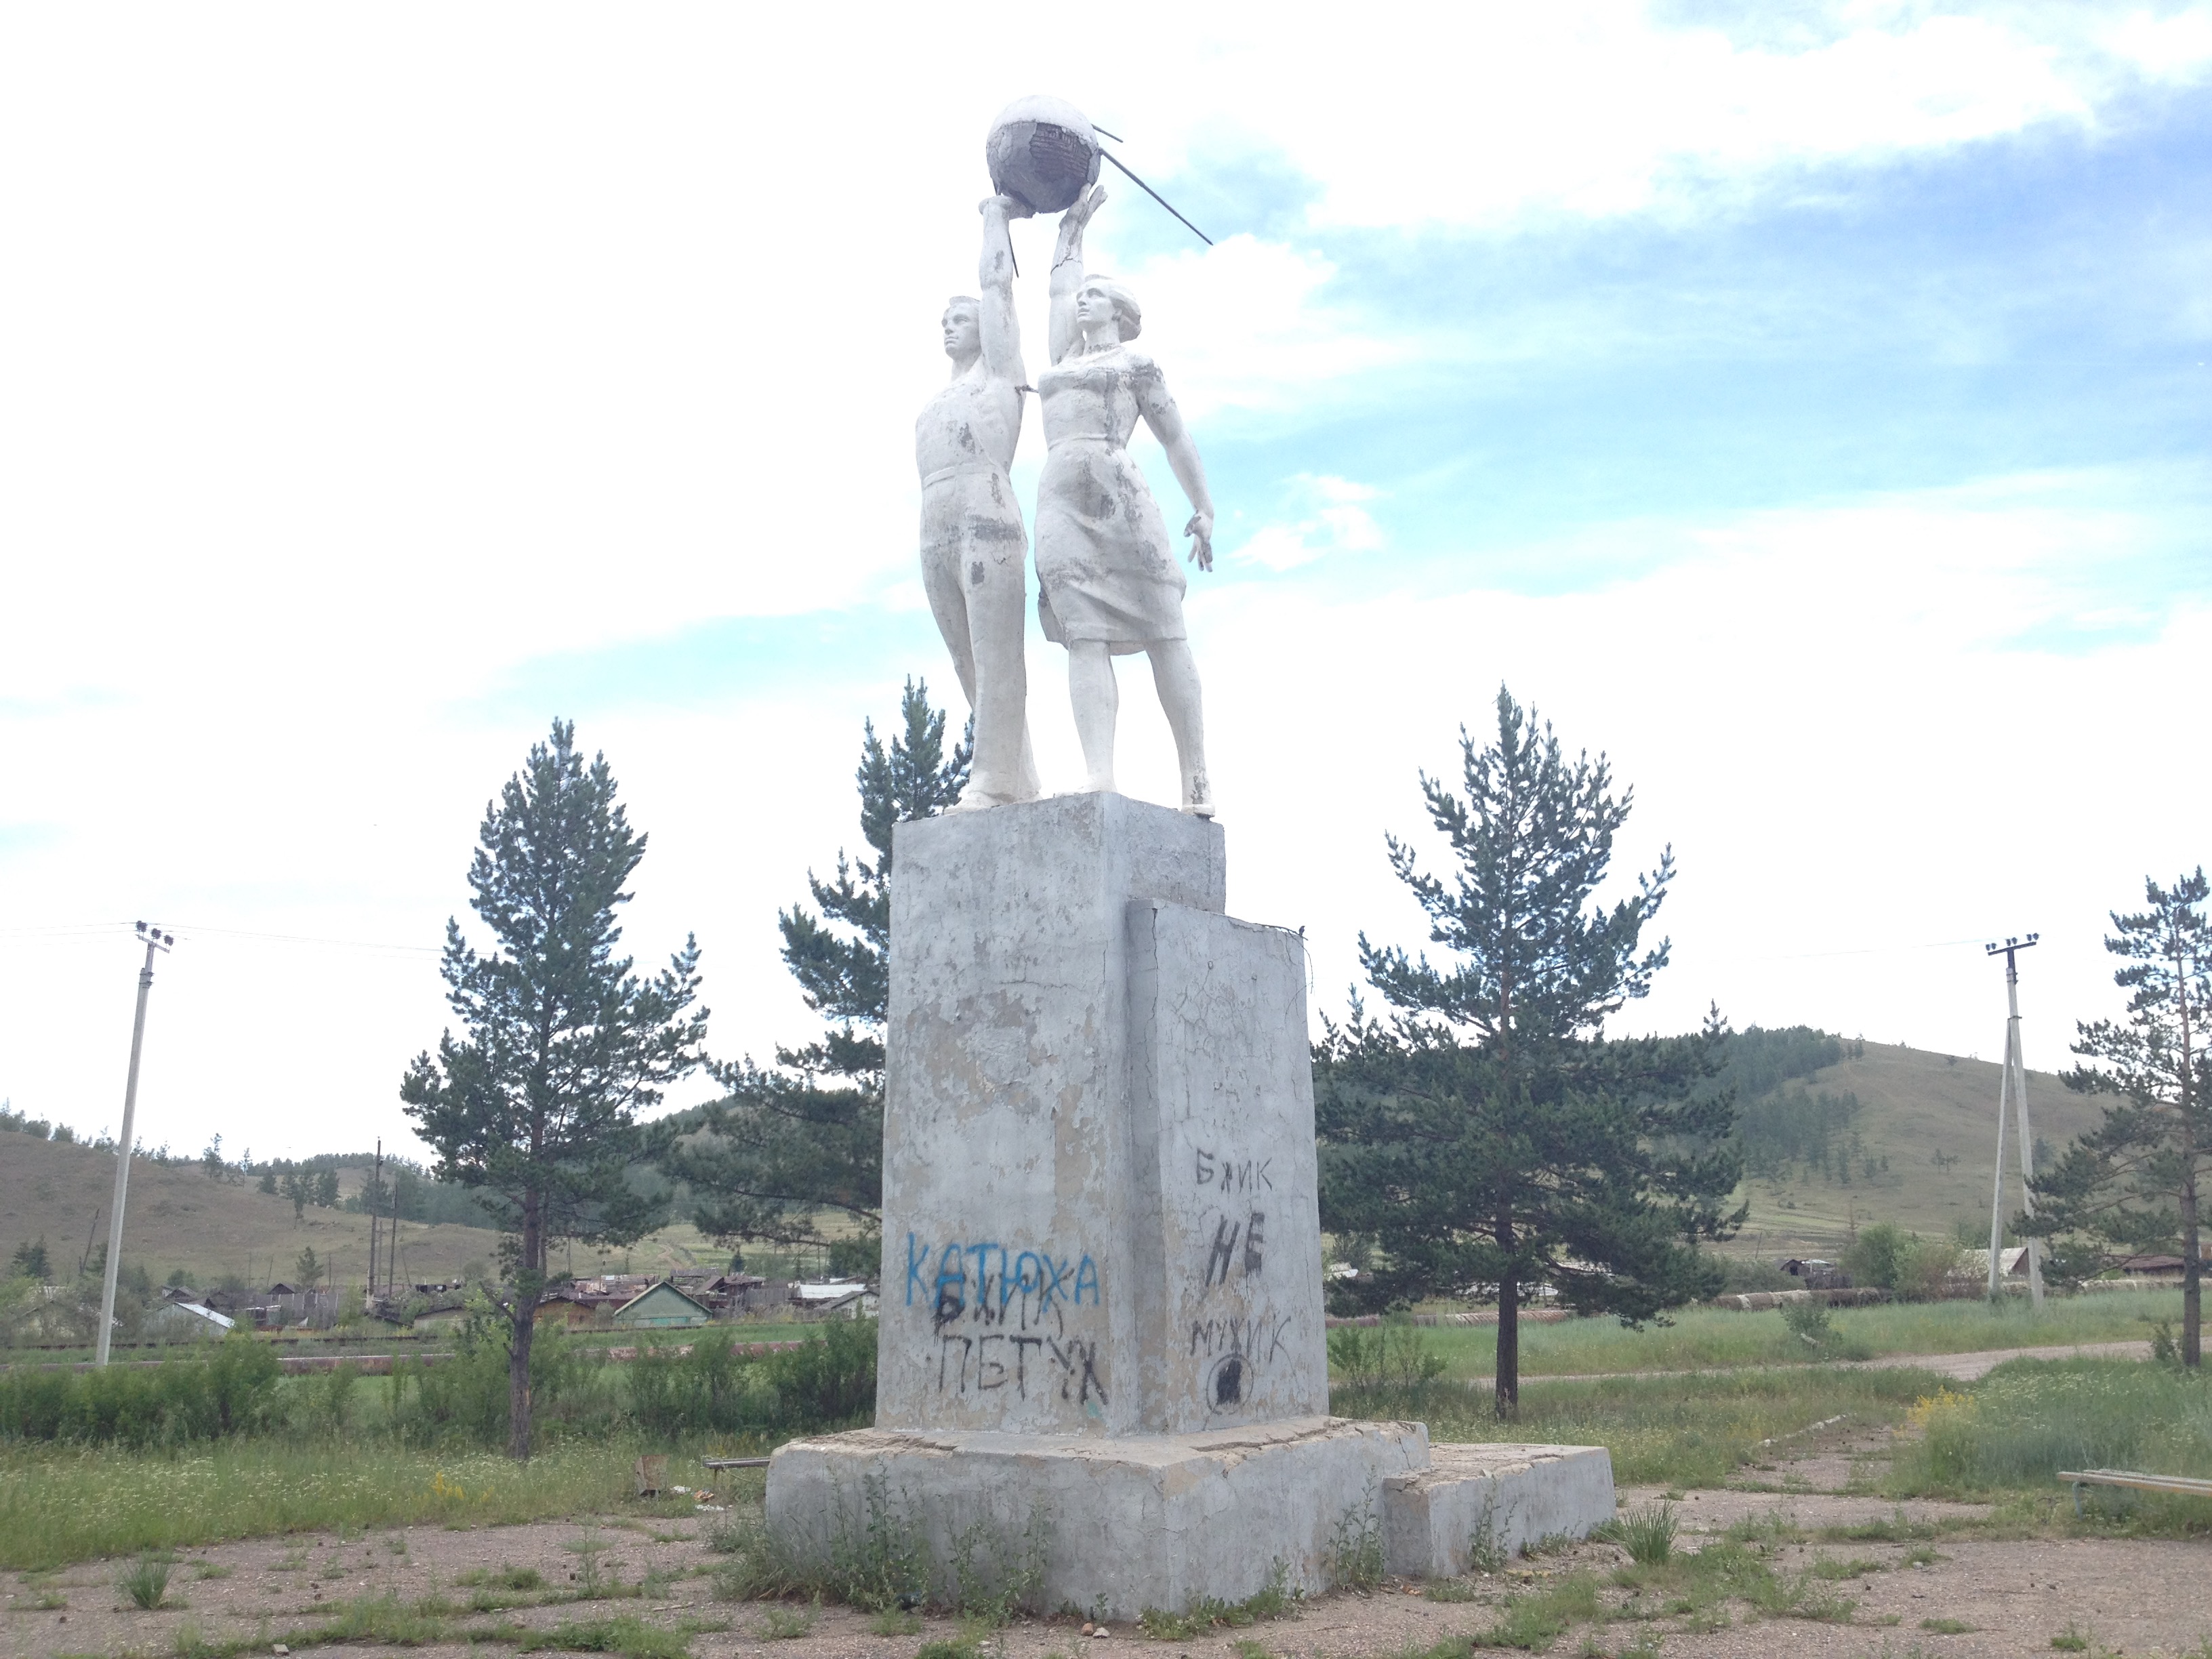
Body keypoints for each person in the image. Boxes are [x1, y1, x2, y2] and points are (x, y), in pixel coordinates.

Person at [1033, 184, 1216, 817]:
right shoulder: (1059, 360)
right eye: (1082, 293)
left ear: (1117, 310)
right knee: (1082, 633)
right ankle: (1099, 775)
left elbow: (1176, 439)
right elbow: (1059, 288)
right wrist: (1071, 232)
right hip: (1059, 495)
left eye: (1093, 294)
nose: (1081, 299)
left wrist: (1204, 507)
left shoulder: (1138, 365)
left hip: (1118, 494)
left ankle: (1195, 776)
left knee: (1166, 629)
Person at [914, 194, 1040, 808]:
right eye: (943, 321)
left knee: (996, 657)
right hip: (934, 523)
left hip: (985, 514)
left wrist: (996, 218)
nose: (948, 326)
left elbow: (997, 289)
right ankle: (1022, 777)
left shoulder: (1001, 377)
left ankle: (990, 776)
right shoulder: (935, 401)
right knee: (968, 663)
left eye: (959, 319)